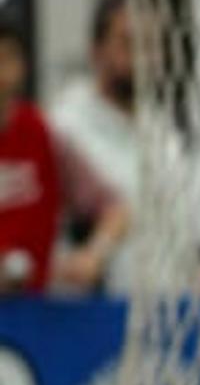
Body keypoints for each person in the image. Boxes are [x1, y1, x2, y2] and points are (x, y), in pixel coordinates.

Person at [47, 0, 171, 295]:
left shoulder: (163, 132)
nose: (143, 57)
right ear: (95, 51)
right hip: (92, 317)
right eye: (128, 43)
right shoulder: (63, 129)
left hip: (163, 311)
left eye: (151, 44)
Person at [0, 19, 127, 296]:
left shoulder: (44, 134)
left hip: (35, 315)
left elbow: (116, 208)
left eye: (7, 57)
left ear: (21, 66)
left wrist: (94, 255)